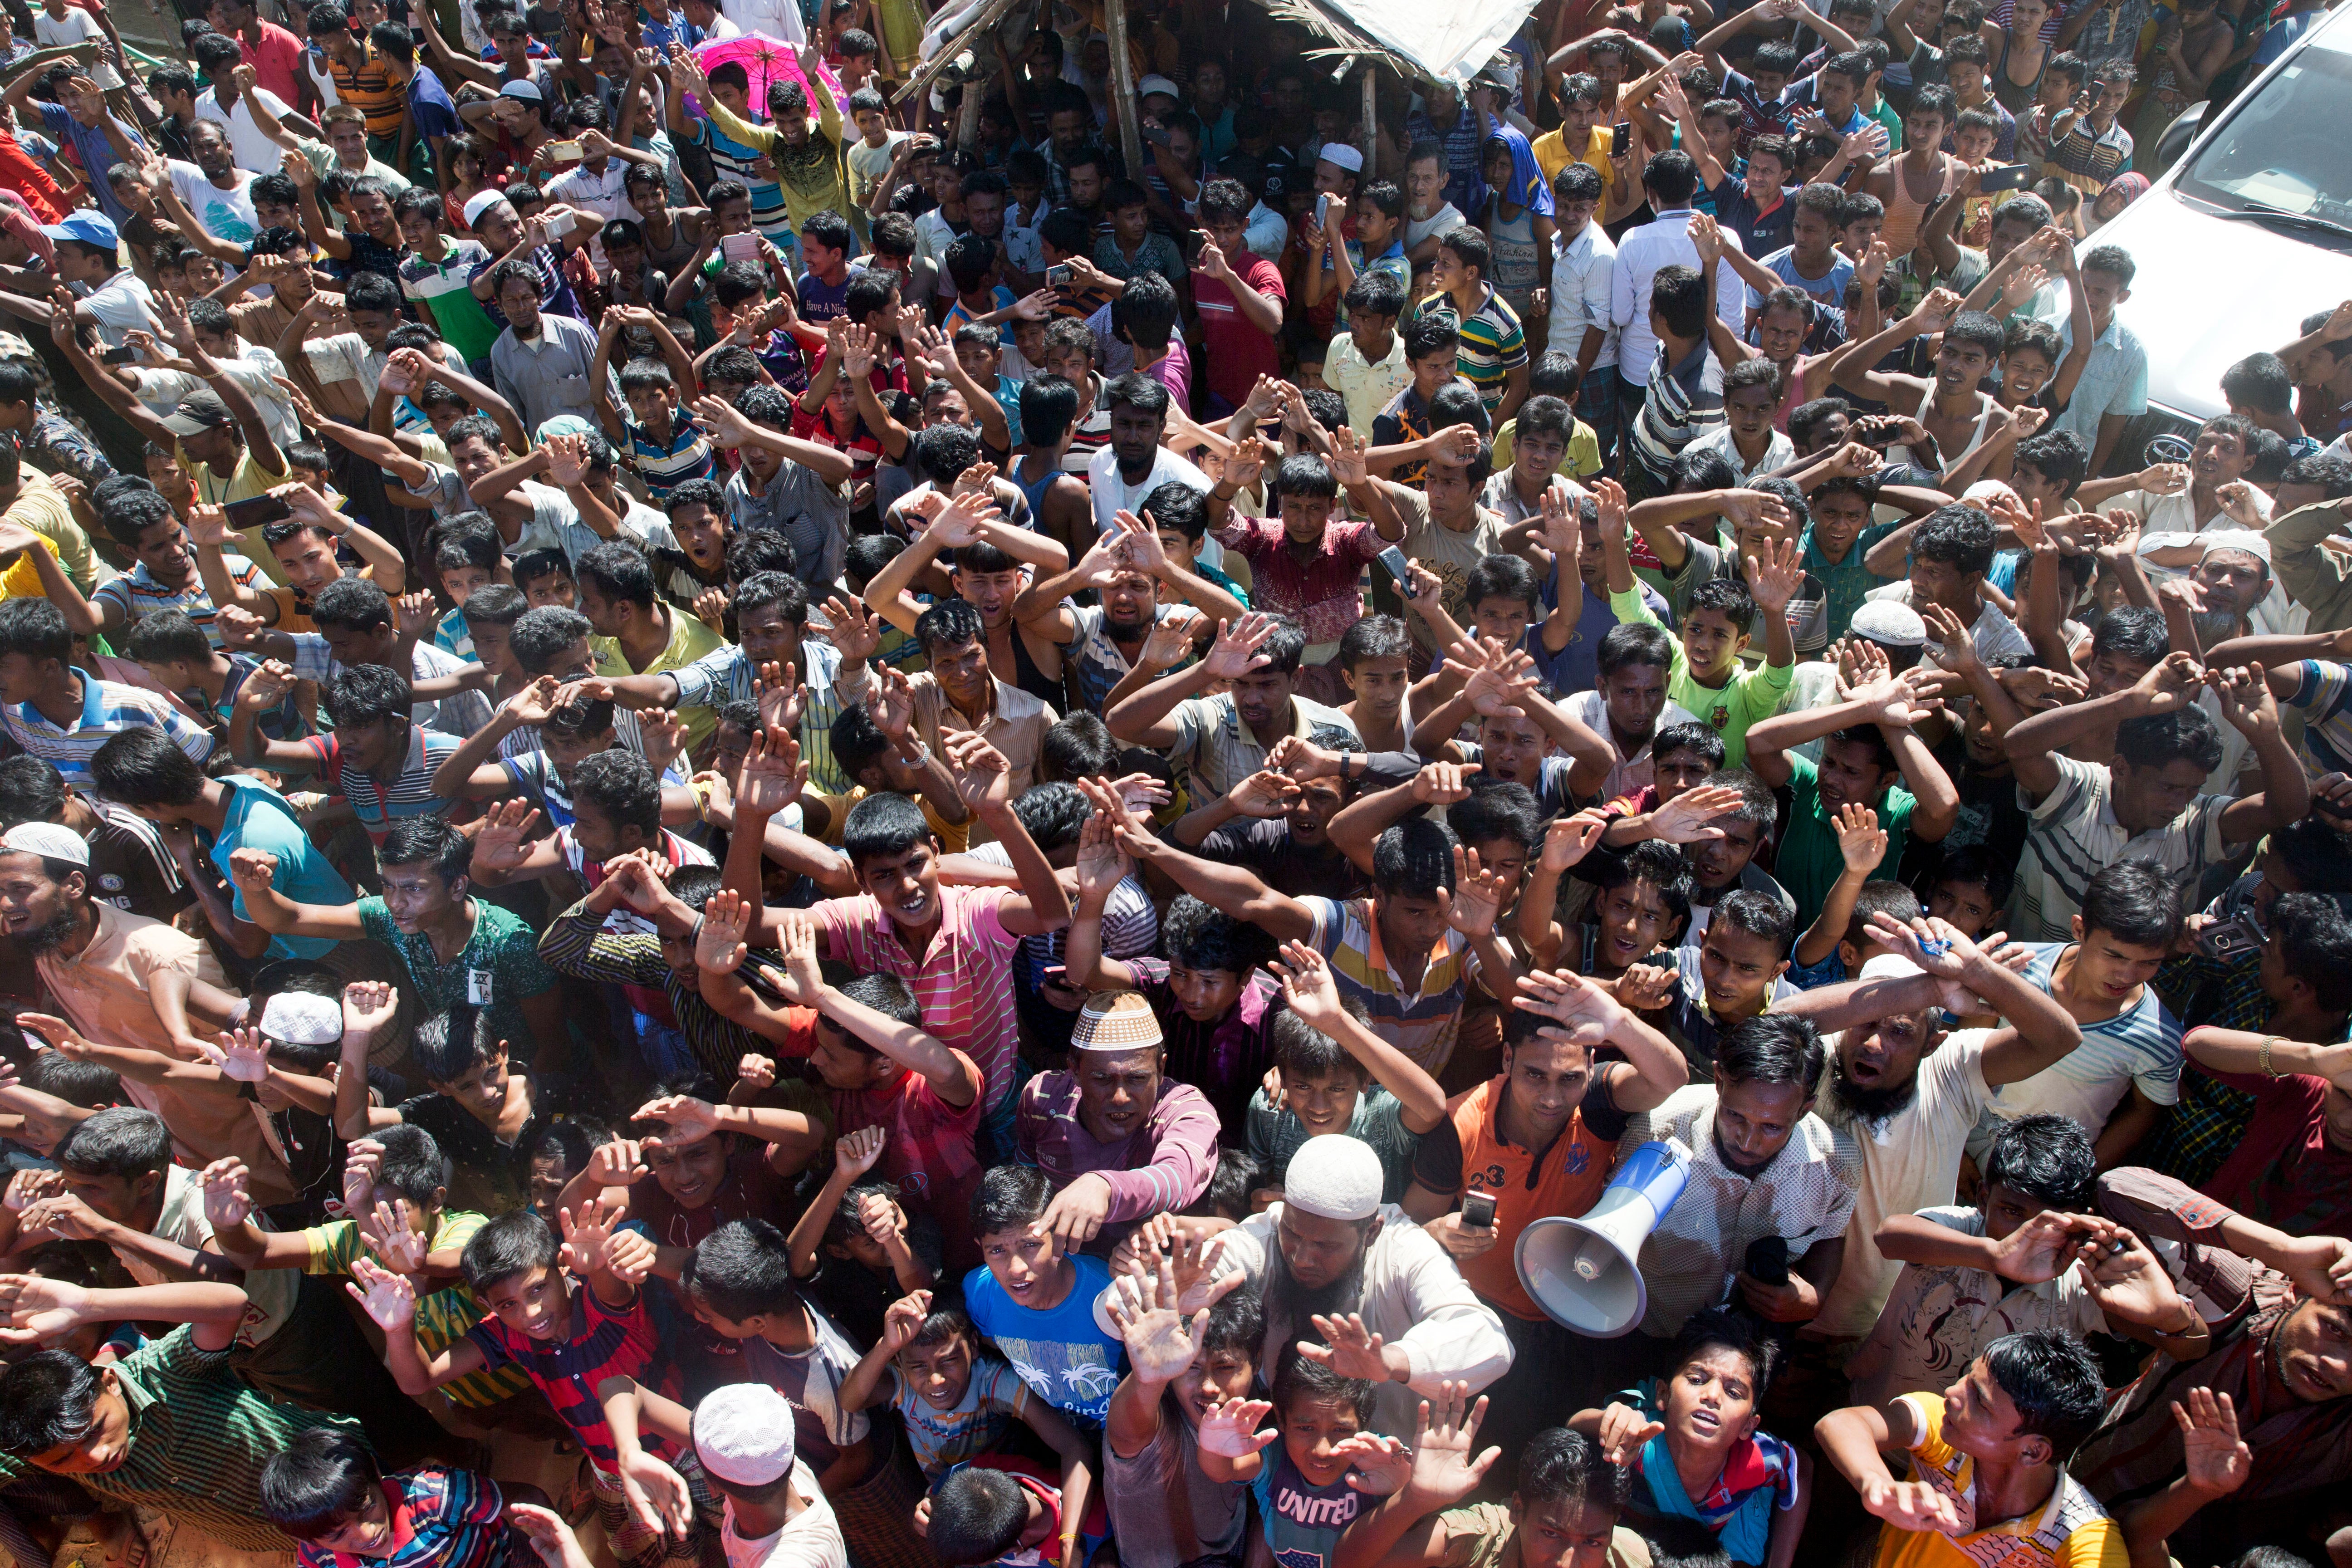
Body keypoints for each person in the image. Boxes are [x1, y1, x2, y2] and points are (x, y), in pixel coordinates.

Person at [1814, 1331, 2124, 1568]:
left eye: (1980, 1400)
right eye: (1969, 1375)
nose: (1951, 1392)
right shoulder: (1945, 1435)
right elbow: (1841, 1423)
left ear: (2033, 1452)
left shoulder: (2082, 1535)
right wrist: (1876, 1482)